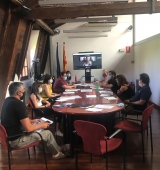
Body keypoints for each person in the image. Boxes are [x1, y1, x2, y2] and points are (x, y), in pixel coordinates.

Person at [1, 82, 69, 159]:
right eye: (24, 89)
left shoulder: (7, 100)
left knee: (40, 130)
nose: (25, 91)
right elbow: (29, 129)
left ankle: (56, 148)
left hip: (10, 137)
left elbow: (18, 118)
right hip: (16, 140)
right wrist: (42, 125)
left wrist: (31, 121)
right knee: (47, 133)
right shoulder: (19, 104)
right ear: (19, 93)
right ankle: (56, 154)